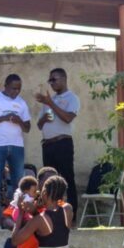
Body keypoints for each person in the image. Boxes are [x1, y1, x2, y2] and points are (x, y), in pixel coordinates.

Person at [0, 74, 31, 230]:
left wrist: (19, 121)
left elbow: (27, 128)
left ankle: (18, 218)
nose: (16, 91)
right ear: (6, 86)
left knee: (19, 184)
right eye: (13, 88)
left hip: (17, 146)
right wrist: (3, 118)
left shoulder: (22, 103)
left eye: (19, 89)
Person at [35, 68, 81, 208]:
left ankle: (71, 216)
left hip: (62, 143)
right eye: (49, 80)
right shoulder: (49, 100)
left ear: (64, 79)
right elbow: (39, 125)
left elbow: (68, 118)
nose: (51, 83)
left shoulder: (72, 98)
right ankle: (51, 214)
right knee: (48, 181)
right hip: (47, 145)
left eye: (54, 79)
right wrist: (44, 118)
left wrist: (51, 104)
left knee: (67, 180)